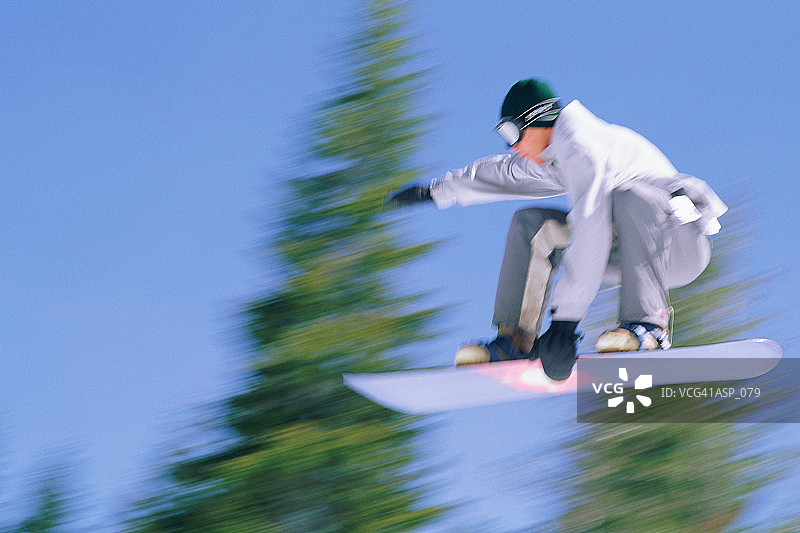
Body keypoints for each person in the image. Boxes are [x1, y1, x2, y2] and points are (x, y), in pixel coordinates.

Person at [389, 79, 727, 380]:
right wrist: (435, 191)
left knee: (629, 196)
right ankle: (515, 340)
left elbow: (590, 227)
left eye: (511, 133)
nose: (512, 146)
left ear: (537, 118)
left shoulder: (582, 147)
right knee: (532, 224)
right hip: (627, 249)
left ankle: (651, 326)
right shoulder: (556, 156)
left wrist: (565, 323)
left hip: (678, 245)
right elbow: (504, 173)